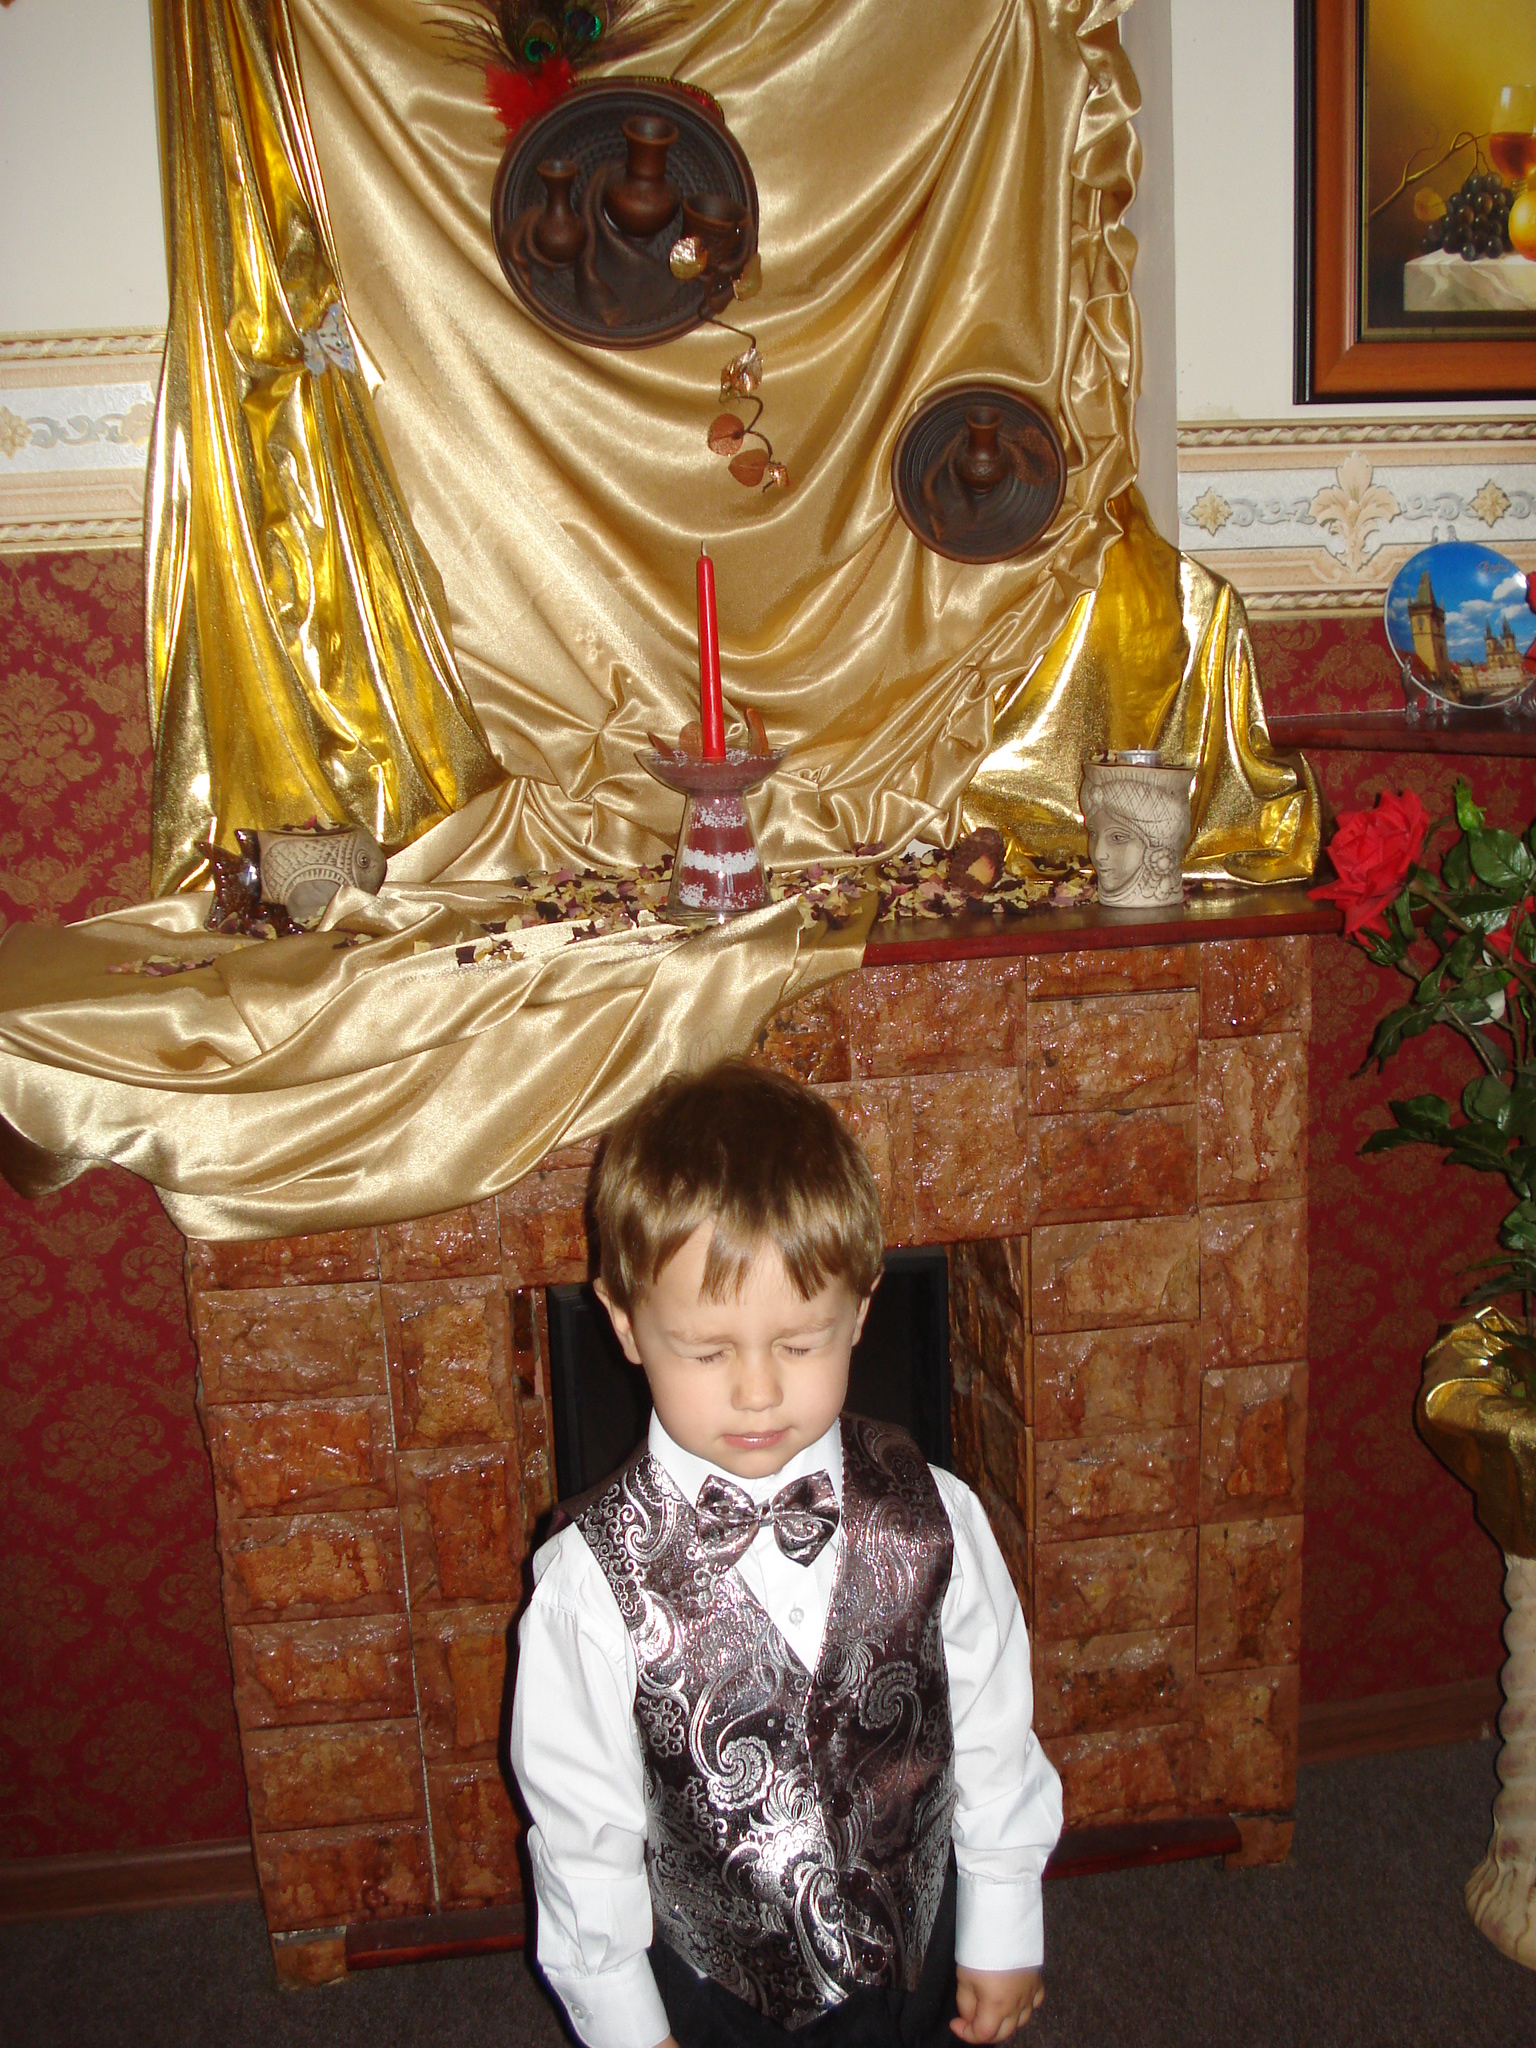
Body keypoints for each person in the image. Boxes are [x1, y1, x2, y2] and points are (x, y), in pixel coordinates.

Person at [510, 1060, 1062, 2048]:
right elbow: (583, 1835)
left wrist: (1004, 1919)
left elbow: (992, 1737)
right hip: (719, 1998)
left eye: (801, 1343)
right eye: (708, 1351)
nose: (758, 1392)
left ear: (860, 1311)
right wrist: (628, 2028)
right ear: (627, 1324)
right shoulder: (589, 1585)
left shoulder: (936, 1518)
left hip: (919, 1961)